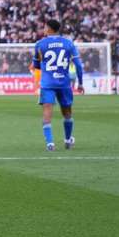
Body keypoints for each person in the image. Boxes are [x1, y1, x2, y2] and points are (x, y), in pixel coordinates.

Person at [33, 19, 83, 151]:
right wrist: (81, 83)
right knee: (67, 113)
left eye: (44, 27)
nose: (43, 29)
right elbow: (78, 65)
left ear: (49, 29)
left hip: (48, 83)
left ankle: (50, 144)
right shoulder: (68, 43)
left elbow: (36, 65)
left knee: (47, 113)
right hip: (64, 84)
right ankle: (67, 140)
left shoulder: (40, 44)